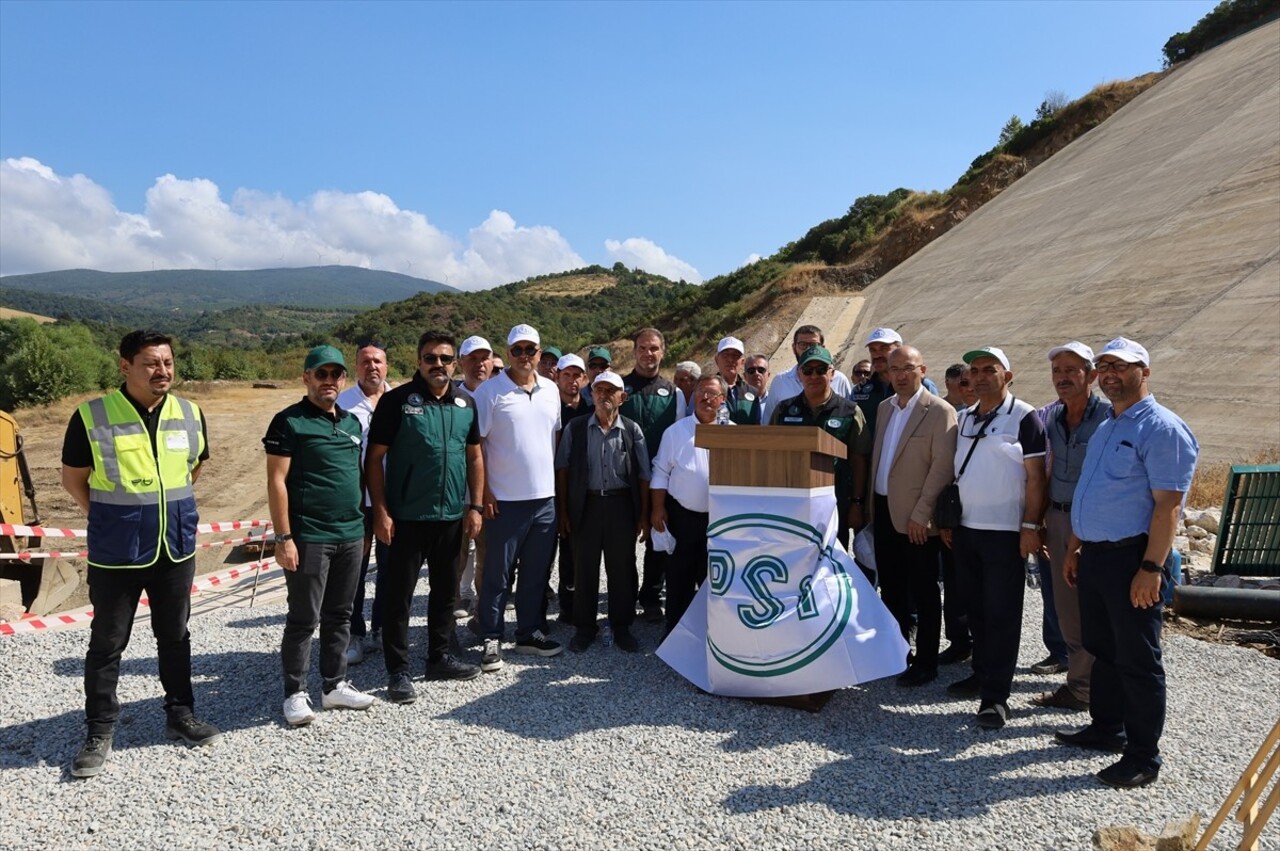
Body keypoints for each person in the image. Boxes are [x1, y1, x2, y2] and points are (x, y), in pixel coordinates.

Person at [62, 329, 221, 778]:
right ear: (125, 366)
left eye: (167, 362)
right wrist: (110, 518)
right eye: (151, 363)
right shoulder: (92, 416)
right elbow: (74, 479)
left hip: (174, 547)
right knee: (108, 643)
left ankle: (180, 714)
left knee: (175, 635)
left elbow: (195, 466)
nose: (162, 371)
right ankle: (99, 729)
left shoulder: (189, 412)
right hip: (116, 552)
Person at [1054, 337, 1197, 789]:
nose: (1111, 372)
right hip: (1097, 556)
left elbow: (1167, 508)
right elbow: (1091, 491)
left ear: (1145, 372)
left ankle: (1142, 756)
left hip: (1132, 559)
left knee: (1138, 659)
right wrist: (1075, 546)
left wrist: (1151, 570)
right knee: (1104, 648)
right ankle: (1106, 729)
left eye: (1122, 365)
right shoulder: (1109, 425)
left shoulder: (1162, 428)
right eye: (1106, 365)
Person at [366, 332, 485, 704]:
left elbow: (475, 457)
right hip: (405, 517)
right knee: (398, 597)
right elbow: (374, 460)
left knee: (445, 592)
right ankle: (398, 671)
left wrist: (476, 506)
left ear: (455, 363)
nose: (439, 365)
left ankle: (438, 657)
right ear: (419, 361)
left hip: (450, 516)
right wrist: (381, 511)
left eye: (445, 359)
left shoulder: (465, 402)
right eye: (431, 358)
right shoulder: (397, 401)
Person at [264, 344, 376, 726]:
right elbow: (276, 481)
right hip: (310, 536)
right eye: (321, 374)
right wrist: (283, 538)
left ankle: (334, 686)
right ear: (307, 377)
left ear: (344, 379)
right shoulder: (288, 422)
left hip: (350, 533)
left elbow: (357, 477)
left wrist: (363, 527)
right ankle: (295, 693)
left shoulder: (351, 423)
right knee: (303, 618)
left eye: (336, 374)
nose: (329, 381)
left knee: (340, 614)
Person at [940, 346, 1047, 731]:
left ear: (1008, 375)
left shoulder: (1025, 417)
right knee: (976, 610)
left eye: (990, 369)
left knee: (1002, 614)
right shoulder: (965, 417)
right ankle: (981, 674)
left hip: (1005, 533)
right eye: (975, 370)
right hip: (966, 531)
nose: (981, 376)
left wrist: (1031, 526)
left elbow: (1036, 478)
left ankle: (996, 698)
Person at [471, 324, 564, 671]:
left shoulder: (551, 390)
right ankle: (491, 637)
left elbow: (550, 440)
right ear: (507, 353)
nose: (525, 357)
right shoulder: (490, 392)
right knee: (497, 575)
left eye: (531, 350)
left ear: (540, 354)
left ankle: (527, 634)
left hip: (544, 500)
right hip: (504, 501)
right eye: (517, 350)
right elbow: (476, 446)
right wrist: (485, 492)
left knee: (535, 574)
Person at [1029, 341, 1111, 712]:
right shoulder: (1051, 419)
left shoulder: (1110, 420)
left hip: (1096, 526)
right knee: (1067, 611)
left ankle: (1107, 693)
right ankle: (1080, 689)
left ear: (1091, 376)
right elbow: (1045, 473)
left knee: (1098, 610)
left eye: (1071, 371)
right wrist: (1040, 521)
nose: (1062, 378)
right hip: (1058, 519)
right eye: (1057, 371)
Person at [869, 345, 957, 686]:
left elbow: (942, 467)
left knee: (923, 590)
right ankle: (896, 652)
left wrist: (923, 515)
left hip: (917, 520)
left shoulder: (939, 411)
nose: (900, 375)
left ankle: (926, 661)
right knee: (890, 588)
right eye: (894, 369)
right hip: (885, 513)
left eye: (908, 368)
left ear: (922, 369)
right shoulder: (884, 408)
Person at [556, 371, 651, 653]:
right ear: (592, 393)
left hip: (621, 505)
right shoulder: (576, 428)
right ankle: (584, 627)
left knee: (622, 567)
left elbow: (644, 475)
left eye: (611, 390)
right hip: (587, 505)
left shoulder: (632, 430)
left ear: (622, 398)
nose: (604, 395)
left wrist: (643, 515)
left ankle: (621, 626)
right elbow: (562, 470)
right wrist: (563, 510)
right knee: (584, 567)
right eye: (599, 389)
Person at [651, 374, 729, 637]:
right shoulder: (676, 432)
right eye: (702, 392)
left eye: (713, 394)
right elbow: (661, 471)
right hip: (682, 517)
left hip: (720, 520)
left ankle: (713, 636)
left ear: (723, 399)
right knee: (679, 578)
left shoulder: (735, 432)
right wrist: (657, 508)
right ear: (694, 396)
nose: (706, 398)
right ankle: (674, 634)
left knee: (714, 581)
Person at [770, 345, 870, 549]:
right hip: (793, 503)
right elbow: (773, 456)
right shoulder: (783, 410)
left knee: (831, 562)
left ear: (832, 373)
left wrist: (856, 503)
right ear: (800, 374)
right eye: (808, 370)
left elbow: (859, 459)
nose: (814, 375)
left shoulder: (849, 411)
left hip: (835, 503)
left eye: (821, 370)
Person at [620, 328, 685, 623]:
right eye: (643, 348)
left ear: (663, 351)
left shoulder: (675, 393)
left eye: (654, 348)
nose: (649, 354)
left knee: (658, 539)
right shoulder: (619, 388)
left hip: (662, 479)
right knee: (621, 541)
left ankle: (650, 597)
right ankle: (622, 598)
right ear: (635, 351)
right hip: (624, 478)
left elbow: (682, 438)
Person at [335, 340, 392, 666]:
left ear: (387, 366)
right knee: (353, 572)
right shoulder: (343, 404)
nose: (372, 367)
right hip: (356, 502)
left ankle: (381, 629)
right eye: (365, 361)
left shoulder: (400, 399)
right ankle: (353, 633)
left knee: (390, 569)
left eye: (378, 361)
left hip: (391, 501)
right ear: (356, 366)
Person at [551, 353, 592, 624]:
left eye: (578, 375)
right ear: (557, 377)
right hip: (548, 484)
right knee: (546, 552)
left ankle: (573, 606)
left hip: (580, 488)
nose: (572, 380)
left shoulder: (590, 410)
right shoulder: (549, 407)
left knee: (575, 549)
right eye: (567, 374)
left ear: (585, 378)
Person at [454, 335, 493, 615]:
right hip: (456, 494)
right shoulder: (451, 398)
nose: (479, 364)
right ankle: (449, 614)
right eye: (472, 358)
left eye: (484, 358)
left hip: (489, 493)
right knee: (454, 558)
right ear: (461, 362)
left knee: (487, 559)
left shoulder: (500, 393)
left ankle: (483, 614)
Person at [853, 327, 940, 437]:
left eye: (884, 348)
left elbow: (936, 423)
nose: (877, 355)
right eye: (872, 350)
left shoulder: (923, 385)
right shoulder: (860, 391)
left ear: (899, 350)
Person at [768, 325, 855, 404]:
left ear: (823, 348)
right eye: (803, 345)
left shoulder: (840, 380)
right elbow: (769, 419)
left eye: (814, 345)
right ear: (794, 349)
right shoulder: (780, 381)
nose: (808, 350)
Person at [714, 337, 762, 424]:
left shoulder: (752, 392)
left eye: (735, 355)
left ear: (742, 362)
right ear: (717, 360)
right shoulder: (706, 390)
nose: (730, 359)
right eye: (725, 355)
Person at [744, 354, 772, 422]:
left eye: (761, 370)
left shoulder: (775, 402)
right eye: (751, 370)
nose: (756, 373)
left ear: (768, 375)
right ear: (745, 376)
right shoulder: (737, 403)